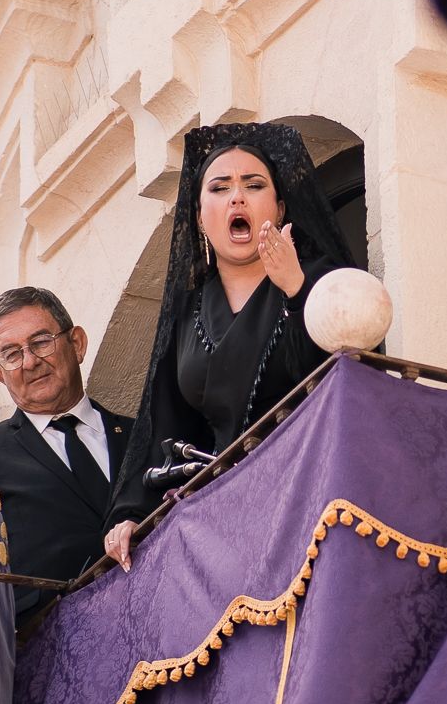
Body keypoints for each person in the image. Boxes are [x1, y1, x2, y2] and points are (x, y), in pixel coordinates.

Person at [102, 122, 361, 568]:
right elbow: (168, 424)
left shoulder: (323, 282)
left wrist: (296, 289)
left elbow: (346, 383)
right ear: (201, 217)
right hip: (224, 521)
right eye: (220, 188)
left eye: (253, 185)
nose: (237, 197)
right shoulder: (187, 312)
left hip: (313, 491)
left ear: (279, 208)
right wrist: (132, 515)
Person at [0, 286, 137, 612]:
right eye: (11, 354)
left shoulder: (142, 435)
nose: (30, 362)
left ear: (76, 343)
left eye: (40, 342)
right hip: (55, 648)